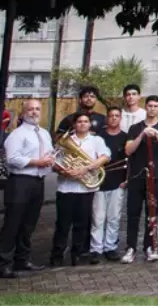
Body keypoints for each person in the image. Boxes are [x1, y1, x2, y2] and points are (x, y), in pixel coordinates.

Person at [0, 99, 54, 279]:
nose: (34, 112)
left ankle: (23, 259)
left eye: (37, 109)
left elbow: (49, 154)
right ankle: (3, 264)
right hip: (20, 181)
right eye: (30, 109)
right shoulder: (17, 135)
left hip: (38, 181)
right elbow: (12, 159)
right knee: (13, 223)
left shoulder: (44, 133)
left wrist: (52, 161)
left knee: (29, 224)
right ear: (23, 112)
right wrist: (38, 162)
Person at [51, 113, 110, 266]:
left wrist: (86, 168)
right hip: (66, 188)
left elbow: (105, 156)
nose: (83, 124)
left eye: (85, 121)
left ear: (89, 124)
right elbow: (54, 161)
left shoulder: (97, 140)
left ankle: (77, 254)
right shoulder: (65, 141)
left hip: (85, 190)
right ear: (74, 124)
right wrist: (62, 170)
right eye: (79, 122)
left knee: (82, 223)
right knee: (62, 224)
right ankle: (57, 255)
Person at [122, 95, 158, 263]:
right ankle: (131, 247)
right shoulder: (135, 127)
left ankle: (150, 246)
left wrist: (156, 134)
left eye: (155, 106)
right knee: (133, 212)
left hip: (156, 175)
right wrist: (142, 135)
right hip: (137, 175)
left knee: (152, 213)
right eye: (149, 106)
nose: (152, 109)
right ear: (146, 107)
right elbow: (128, 150)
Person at [90, 106, 128, 263]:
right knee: (98, 218)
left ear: (120, 118)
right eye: (111, 115)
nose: (113, 118)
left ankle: (110, 247)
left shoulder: (126, 137)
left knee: (113, 217)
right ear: (107, 118)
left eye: (117, 116)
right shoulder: (98, 136)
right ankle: (95, 248)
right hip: (99, 182)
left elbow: (129, 161)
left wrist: (127, 180)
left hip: (117, 182)